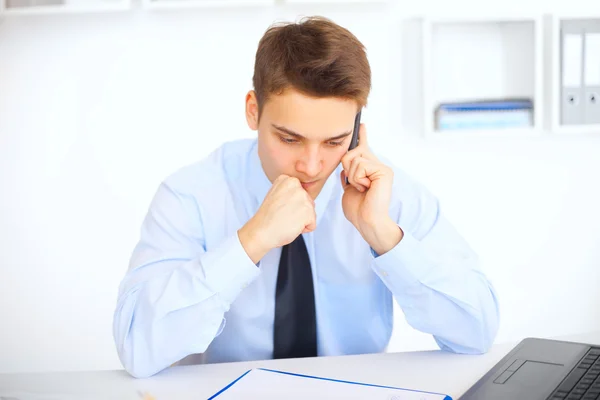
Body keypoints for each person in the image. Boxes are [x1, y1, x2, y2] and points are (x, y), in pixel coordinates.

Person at [113, 16, 500, 379]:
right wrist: (251, 241)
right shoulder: (190, 196)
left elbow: (477, 331)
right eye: (289, 139)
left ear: (356, 130)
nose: (312, 166)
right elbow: (136, 348)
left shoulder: (387, 196)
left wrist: (383, 233)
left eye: (333, 142)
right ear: (253, 111)